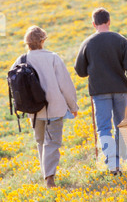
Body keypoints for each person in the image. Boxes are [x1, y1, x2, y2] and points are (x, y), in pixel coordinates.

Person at [74, 7, 127, 174]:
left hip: (99, 92)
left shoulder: (88, 43)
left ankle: (113, 164)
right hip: (120, 89)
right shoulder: (120, 40)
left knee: (104, 127)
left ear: (93, 24)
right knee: (121, 124)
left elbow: (80, 71)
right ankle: (121, 158)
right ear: (109, 21)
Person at [10, 26, 79, 188]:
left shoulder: (21, 60)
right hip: (54, 108)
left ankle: (45, 173)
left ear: (27, 43)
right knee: (52, 142)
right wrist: (73, 106)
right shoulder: (53, 58)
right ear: (42, 41)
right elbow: (66, 86)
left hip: (33, 110)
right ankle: (49, 177)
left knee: (40, 141)